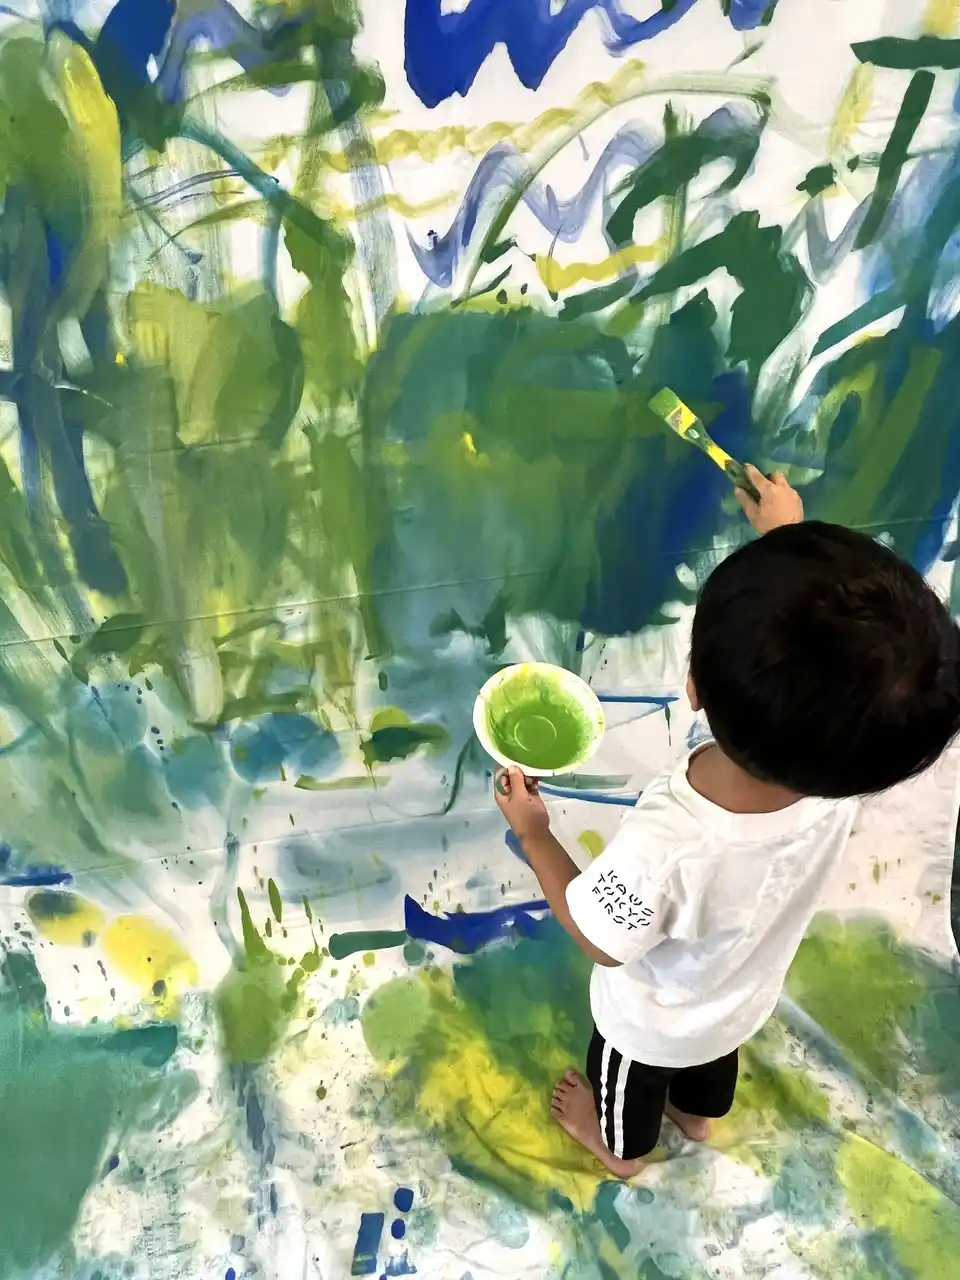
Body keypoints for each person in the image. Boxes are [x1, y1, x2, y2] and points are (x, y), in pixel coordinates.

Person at [493, 466, 960, 1178]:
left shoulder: (672, 842)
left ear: (692, 688)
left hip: (650, 1027)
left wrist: (535, 834)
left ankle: (619, 1147)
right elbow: (832, 670)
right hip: (740, 999)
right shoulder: (837, 773)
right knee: (710, 1067)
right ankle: (698, 1116)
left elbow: (599, 938)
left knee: (629, 1087)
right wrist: (789, 541)